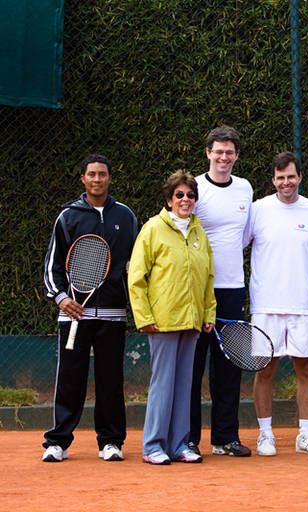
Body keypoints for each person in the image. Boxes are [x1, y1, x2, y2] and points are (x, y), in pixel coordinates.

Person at [42, 154, 138, 463]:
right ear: (83, 178)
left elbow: (135, 266)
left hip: (112, 314)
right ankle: (57, 442)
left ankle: (110, 441)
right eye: (91, 174)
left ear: (110, 178)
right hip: (73, 314)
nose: (97, 179)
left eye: (102, 174)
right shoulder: (68, 217)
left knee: (111, 380)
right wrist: (61, 298)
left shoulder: (126, 216)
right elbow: (52, 266)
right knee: (70, 379)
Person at [128, 170, 216, 465]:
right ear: (169, 199)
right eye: (179, 195)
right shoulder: (153, 229)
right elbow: (136, 277)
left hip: (192, 322)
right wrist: (144, 316)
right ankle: (153, 445)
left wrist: (208, 314)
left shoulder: (199, 233)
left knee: (184, 385)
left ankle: (179, 444)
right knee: (163, 383)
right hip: (162, 321)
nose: (185, 199)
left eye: (190, 195)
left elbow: (208, 277)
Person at [244, 151, 308, 456]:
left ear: (300, 177)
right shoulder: (257, 210)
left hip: (305, 304)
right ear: (273, 180)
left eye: (291, 177)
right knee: (264, 370)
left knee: (306, 371)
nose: (286, 183)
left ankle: (305, 435)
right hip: (266, 305)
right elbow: (235, 243)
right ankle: (265, 435)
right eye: (280, 178)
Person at [189, 126, 253, 457]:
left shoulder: (245, 188)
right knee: (193, 365)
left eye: (229, 152)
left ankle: (225, 438)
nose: (223, 157)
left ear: (236, 156)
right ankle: (188, 440)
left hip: (232, 290)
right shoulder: (194, 189)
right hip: (199, 292)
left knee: (228, 367)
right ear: (208, 153)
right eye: (218, 151)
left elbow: (242, 236)